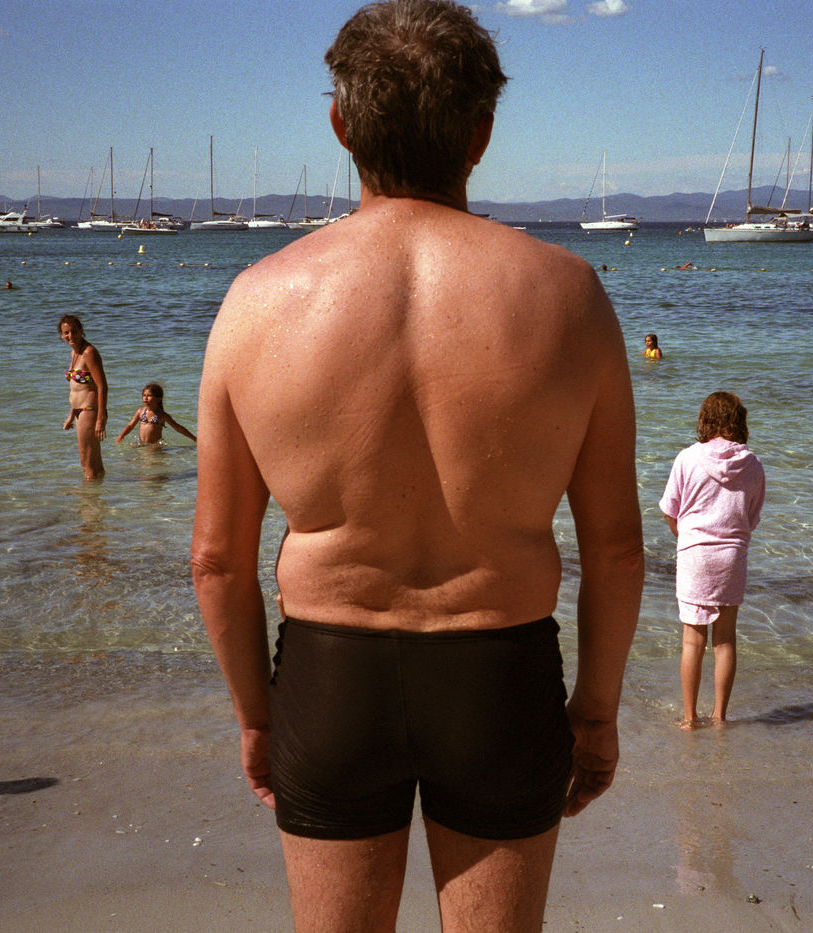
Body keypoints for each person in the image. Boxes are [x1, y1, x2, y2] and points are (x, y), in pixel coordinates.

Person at [190, 3, 643, 930]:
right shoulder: (568, 296)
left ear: (340, 125)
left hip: (330, 676)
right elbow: (616, 549)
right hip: (500, 671)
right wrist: (595, 710)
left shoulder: (256, 302)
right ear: (481, 134)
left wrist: (260, 715)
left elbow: (218, 561)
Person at [659, 392, 765, 730]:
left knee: (693, 640)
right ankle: (720, 717)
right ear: (739, 421)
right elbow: (752, 516)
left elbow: (669, 509)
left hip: (694, 553)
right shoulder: (753, 463)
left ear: (705, 420)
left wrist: (685, 537)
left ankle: (689, 718)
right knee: (725, 639)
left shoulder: (687, 458)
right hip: (731, 555)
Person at [58, 314, 107, 480]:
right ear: (61, 335)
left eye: (74, 331)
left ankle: (87, 495)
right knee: (94, 464)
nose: (70, 335)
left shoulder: (89, 352)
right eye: (66, 333)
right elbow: (77, 389)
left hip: (89, 410)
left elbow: (102, 387)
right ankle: (100, 494)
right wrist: (71, 415)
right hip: (79, 411)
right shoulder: (74, 353)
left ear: (81, 330)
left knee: (86, 463)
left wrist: (100, 419)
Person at [115, 382, 197, 445]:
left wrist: (194, 438)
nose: (145, 398)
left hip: (154, 446)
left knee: (150, 459)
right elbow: (130, 425)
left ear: (158, 399)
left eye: (149, 396)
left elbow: (177, 427)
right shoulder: (140, 411)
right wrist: (121, 435)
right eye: (144, 395)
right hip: (141, 444)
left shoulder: (162, 415)